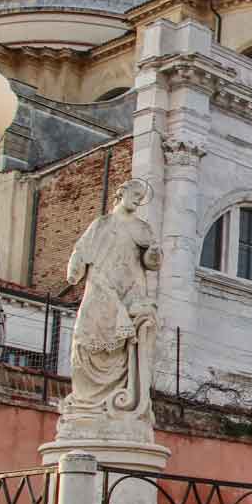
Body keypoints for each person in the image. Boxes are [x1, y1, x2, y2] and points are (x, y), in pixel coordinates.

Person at [64, 179, 161, 426]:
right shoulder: (102, 224)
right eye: (135, 193)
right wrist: (75, 269)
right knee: (85, 338)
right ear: (121, 193)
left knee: (126, 338)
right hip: (101, 287)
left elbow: (152, 263)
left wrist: (153, 254)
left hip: (130, 291)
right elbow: (81, 250)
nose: (138, 198)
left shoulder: (143, 229)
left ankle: (122, 402)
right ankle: (86, 401)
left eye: (141, 195)